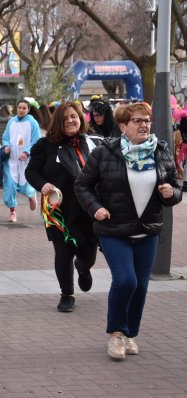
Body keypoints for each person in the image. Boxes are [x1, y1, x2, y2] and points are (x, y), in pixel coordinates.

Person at [75, 102, 182, 360]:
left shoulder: (161, 151)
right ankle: (115, 333)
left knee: (141, 286)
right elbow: (82, 186)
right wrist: (96, 208)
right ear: (123, 126)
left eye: (146, 120)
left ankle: (130, 333)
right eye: (137, 121)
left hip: (148, 230)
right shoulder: (105, 153)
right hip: (114, 229)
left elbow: (174, 186)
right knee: (126, 280)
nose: (144, 125)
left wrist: (171, 193)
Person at [26, 101, 99, 312]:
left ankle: (83, 269)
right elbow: (31, 172)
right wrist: (43, 185)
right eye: (65, 117)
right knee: (63, 252)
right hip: (59, 210)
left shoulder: (93, 143)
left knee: (88, 254)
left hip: (89, 209)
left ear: (81, 118)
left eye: (74, 116)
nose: (70, 120)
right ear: (58, 121)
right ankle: (67, 294)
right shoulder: (44, 145)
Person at [1, 99, 40, 222]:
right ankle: (12, 212)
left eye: (24, 108)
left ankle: (31, 195)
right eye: (20, 107)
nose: (21, 110)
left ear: (28, 110)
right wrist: (6, 146)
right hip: (12, 160)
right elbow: (5, 137)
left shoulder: (33, 123)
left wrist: (26, 152)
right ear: (16, 108)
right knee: (10, 186)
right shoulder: (11, 122)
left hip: (26, 160)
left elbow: (36, 141)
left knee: (26, 185)